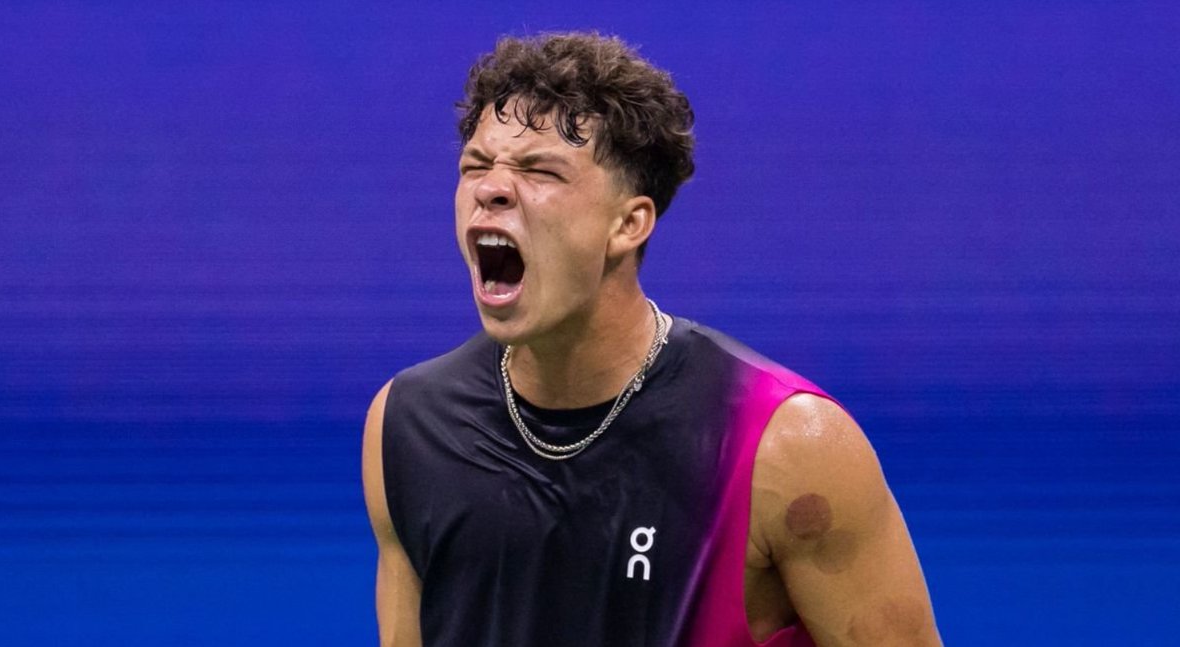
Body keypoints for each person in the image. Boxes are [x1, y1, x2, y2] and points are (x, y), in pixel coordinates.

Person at [362, 32, 940, 647]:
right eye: (475, 166)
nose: (490, 188)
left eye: (540, 171)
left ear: (629, 223)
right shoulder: (407, 425)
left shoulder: (783, 447)